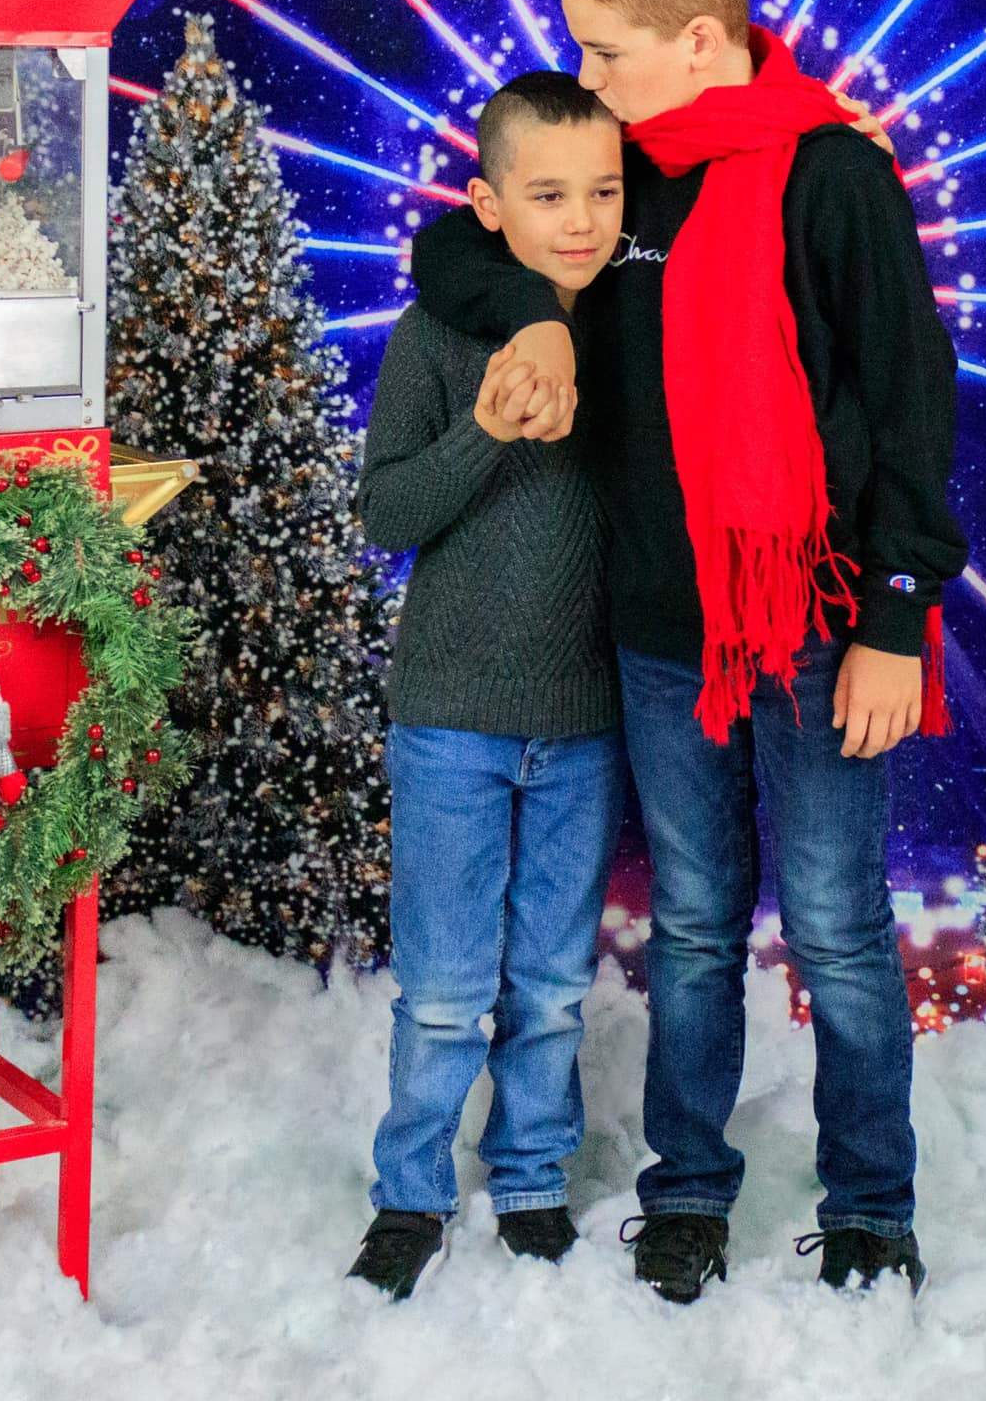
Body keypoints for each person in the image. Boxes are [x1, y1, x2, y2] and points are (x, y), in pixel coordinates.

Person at [411, 0, 967, 1302]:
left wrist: (896, 620)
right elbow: (456, 245)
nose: (584, 85)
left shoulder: (834, 179)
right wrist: (540, 313)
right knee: (699, 927)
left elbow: (910, 410)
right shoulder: (623, 178)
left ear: (702, 37)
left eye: (603, 55)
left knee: (839, 930)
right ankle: (690, 1193)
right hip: (664, 639)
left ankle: (872, 1206)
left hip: (825, 629)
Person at [348, 71, 627, 1301]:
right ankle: (409, 1191)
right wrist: (485, 429)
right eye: (549, 193)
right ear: (488, 205)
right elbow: (385, 508)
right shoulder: (433, 335)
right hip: (451, 718)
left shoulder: (629, 329)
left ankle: (528, 1179)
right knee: (447, 987)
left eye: (604, 191)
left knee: (554, 984)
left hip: (583, 721)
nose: (580, 218)